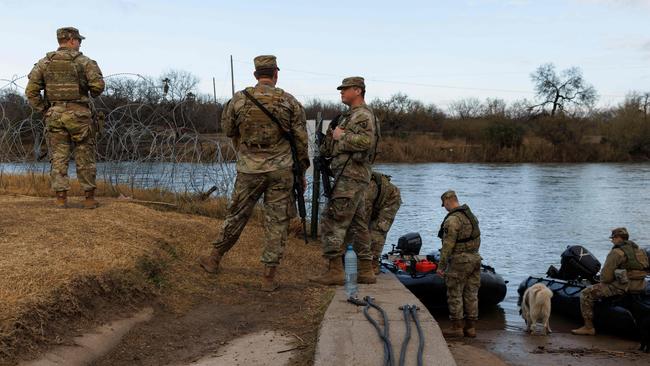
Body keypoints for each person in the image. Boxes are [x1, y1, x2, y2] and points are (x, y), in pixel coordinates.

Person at [198, 55, 309, 292]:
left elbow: (228, 129)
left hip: (249, 167)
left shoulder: (239, 100)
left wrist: (245, 145)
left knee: (237, 214)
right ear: (276, 74)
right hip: (281, 169)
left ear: (256, 74)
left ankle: (214, 258)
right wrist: (301, 172)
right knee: (277, 221)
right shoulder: (290, 102)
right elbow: (301, 140)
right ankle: (268, 276)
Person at [25, 27, 105, 208]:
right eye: (78, 40)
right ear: (71, 40)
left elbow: (31, 92)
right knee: (85, 155)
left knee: (58, 157)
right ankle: (89, 199)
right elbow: (97, 89)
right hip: (80, 116)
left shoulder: (44, 63)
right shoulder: (84, 62)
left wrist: (45, 110)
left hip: (55, 116)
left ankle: (61, 198)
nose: (79, 44)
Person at [310, 77, 379, 286]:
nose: (341, 92)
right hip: (351, 177)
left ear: (357, 91)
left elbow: (366, 143)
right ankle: (366, 271)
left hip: (350, 177)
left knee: (333, 219)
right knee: (358, 224)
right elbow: (335, 146)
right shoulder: (350, 116)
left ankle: (335, 271)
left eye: (345, 89)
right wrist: (331, 139)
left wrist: (341, 137)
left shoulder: (362, 115)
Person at [572, 227, 649, 336]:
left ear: (618, 238)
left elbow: (606, 278)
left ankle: (588, 327)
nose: (612, 241)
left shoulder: (616, 252)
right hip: (641, 286)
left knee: (586, 294)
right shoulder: (640, 251)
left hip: (622, 287)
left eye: (612, 238)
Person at [437, 190, 482, 338]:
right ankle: (471, 328)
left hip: (459, 260)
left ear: (449, 201)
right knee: (471, 294)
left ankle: (456, 327)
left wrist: (441, 266)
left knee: (454, 293)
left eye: (444, 204)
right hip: (475, 259)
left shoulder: (452, 220)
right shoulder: (471, 216)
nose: (444, 207)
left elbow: (447, 246)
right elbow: (477, 239)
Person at [365, 171, 401, 274]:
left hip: (391, 199)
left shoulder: (366, 190)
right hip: (376, 200)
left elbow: (363, 220)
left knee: (378, 230)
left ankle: (373, 264)